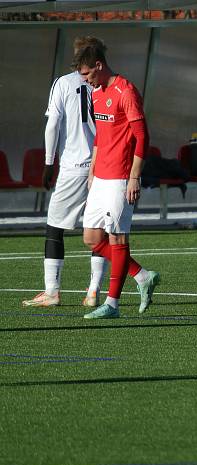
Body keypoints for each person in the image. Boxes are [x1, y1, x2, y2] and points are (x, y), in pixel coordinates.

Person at [75, 40, 160, 319]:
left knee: (117, 238)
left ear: (99, 65)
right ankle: (142, 275)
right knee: (91, 238)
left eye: (88, 74)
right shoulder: (96, 93)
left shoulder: (126, 90)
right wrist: (92, 170)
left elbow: (142, 136)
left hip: (121, 177)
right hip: (100, 177)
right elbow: (100, 134)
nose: (86, 80)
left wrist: (134, 176)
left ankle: (112, 304)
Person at [22, 36, 108, 308]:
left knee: (54, 228)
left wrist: (49, 163)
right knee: (99, 230)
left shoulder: (63, 83)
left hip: (73, 167)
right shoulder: (108, 84)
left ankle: (52, 292)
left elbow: (53, 125)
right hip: (103, 167)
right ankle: (93, 292)